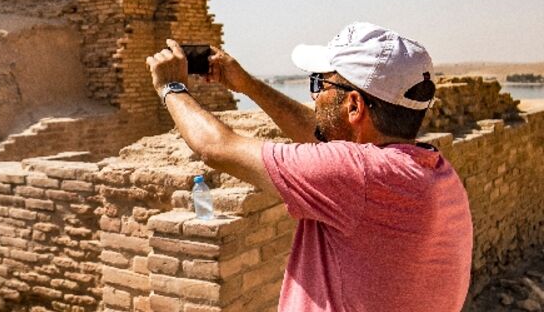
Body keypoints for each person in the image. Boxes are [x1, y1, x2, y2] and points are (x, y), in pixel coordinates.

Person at [146, 22, 473, 312]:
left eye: (319, 83)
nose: (314, 97)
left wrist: (170, 87)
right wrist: (246, 84)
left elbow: (216, 147)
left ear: (355, 104)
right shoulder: (434, 171)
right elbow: (323, 136)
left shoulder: (358, 176)